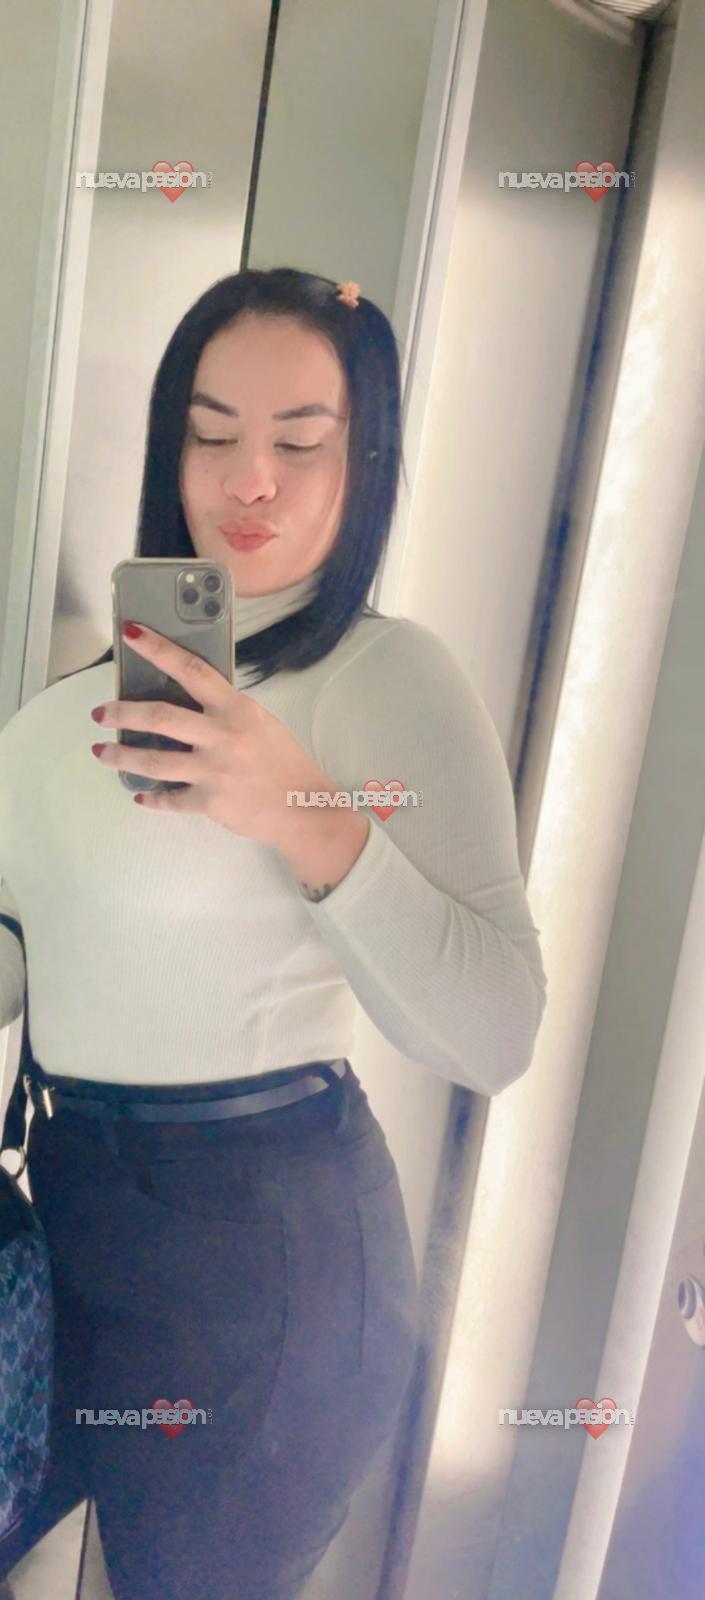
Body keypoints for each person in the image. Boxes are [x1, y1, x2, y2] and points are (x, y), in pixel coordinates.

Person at [0, 267, 548, 1599]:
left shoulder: (383, 677)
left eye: (301, 443)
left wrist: (299, 809)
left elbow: (494, 1031)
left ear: (368, 461)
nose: (250, 480)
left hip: (266, 1258)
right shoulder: (76, 709)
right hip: (68, 1207)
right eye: (212, 433)